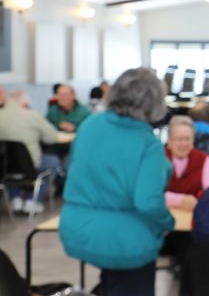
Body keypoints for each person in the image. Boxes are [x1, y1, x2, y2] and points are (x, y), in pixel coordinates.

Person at [59, 68, 174, 296]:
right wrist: (167, 223)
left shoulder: (89, 126)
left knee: (112, 281)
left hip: (80, 230)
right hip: (126, 241)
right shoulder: (147, 144)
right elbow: (148, 202)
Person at [0, 86, 58, 213]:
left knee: (10, 168)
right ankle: (32, 200)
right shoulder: (32, 116)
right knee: (53, 162)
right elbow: (51, 138)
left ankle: (15, 199)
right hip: (30, 162)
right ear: (25, 103)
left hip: (4, 166)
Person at [164, 115, 209, 211]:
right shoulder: (159, 158)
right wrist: (179, 200)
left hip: (194, 220)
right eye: (179, 139)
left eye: (188, 139)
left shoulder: (204, 159)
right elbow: (150, 194)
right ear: (170, 140)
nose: (184, 144)